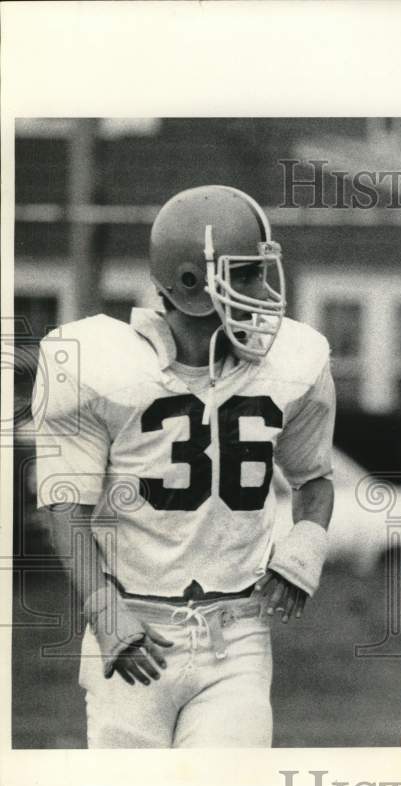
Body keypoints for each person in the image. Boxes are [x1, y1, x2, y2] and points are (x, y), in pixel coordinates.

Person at [32, 185, 336, 748]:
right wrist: (104, 612)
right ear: (191, 281)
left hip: (237, 636)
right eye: (245, 274)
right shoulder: (102, 364)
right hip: (135, 628)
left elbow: (315, 478)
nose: (263, 291)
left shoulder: (292, 363)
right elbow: (64, 507)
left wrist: (304, 548)